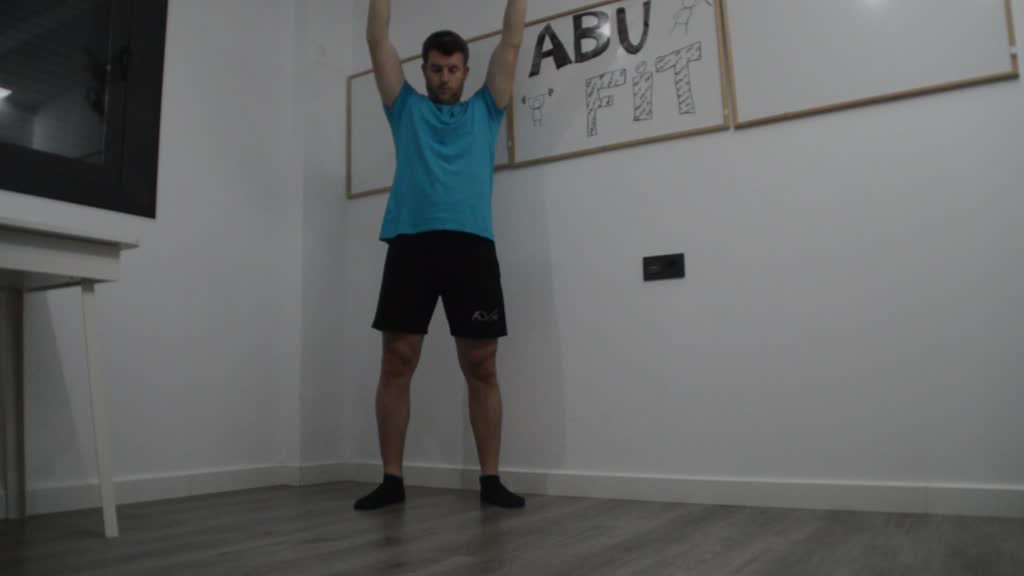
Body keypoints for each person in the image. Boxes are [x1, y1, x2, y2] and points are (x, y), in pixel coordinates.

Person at [354, 0, 529, 511]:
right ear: (424, 69)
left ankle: (490, 479)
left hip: (471, 247)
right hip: (412, 244)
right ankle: (391, 480)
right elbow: (377, 41)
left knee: (482, 364)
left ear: (466, 72)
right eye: (436, 69)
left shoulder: (486, 108)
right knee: (397, 359)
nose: (445, 77)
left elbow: (511, 41)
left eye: (453, 70)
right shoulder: (404, 106)